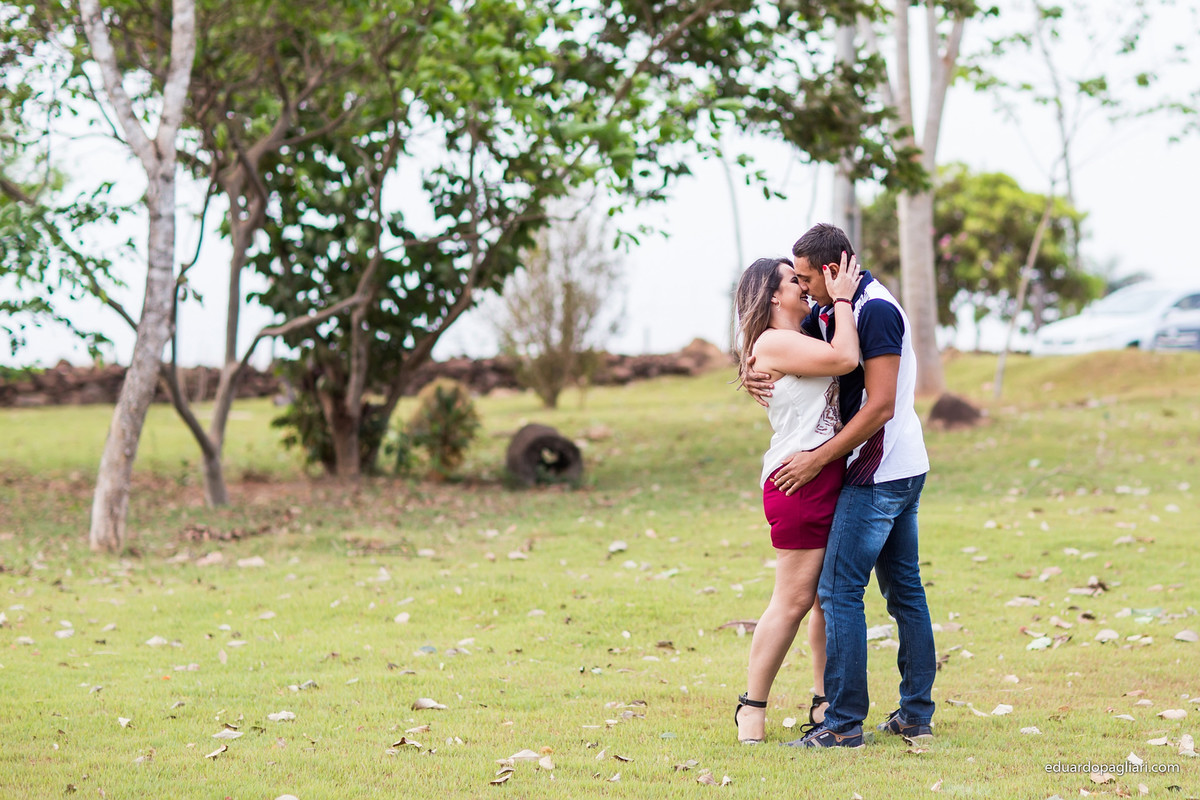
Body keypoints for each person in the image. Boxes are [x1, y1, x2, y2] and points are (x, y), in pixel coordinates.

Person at [744, 223, 936, 749]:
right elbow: (790, 350)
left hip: (877, 472)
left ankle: (842, 722)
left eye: (806, 278)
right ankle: (915, 714)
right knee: (903, 591)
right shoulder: (836, 310)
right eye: (796, 282)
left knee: (838, 592)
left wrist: (816, 459)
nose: (804, 289)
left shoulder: (872, 309)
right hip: (896, 466)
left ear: (832, 272)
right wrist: (752, 362)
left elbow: (879, 403)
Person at [731, 251, 862, 744]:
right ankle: (751, 706)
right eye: (793, 280)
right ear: (771, 294)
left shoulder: (798, 338)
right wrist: (845, 297)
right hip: (798, 481)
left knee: (825, 600)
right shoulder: (774, 342)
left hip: (824, 475)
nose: (803, 286)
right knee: (792, 600)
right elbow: (846, 359)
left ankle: (825, 699)